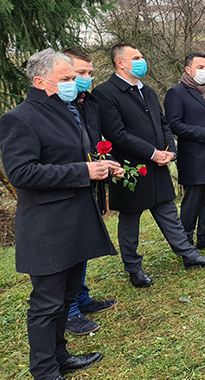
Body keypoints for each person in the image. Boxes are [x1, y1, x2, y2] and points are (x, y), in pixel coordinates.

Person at [0, 49, 122, 379]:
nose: (75, 84)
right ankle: (44, 370)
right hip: (47, 227)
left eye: (75, 77)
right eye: (66, 79)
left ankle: (60, 356)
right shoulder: (19, 118)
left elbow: (70, 158)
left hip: (75, 221)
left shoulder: (68, 112)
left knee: (67, 296)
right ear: (40, 82)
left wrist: (98, 167)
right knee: (47, 303)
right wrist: (83, 171)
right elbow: (22, 173)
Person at [94, 44, 205, 288]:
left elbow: (164, 124)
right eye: (136, 57)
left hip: (158, 164)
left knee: (168, 212)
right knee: (131, 220)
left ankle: (189, 255)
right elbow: (117, 134)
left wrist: (169, 150)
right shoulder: (106, 93)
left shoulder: (148, 91)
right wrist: (152, 153)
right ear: (120, 63)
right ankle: (133, 268)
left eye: (142, 56)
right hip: (130, 168)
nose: (142, 61)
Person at [61, 49, 118, 336]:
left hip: (91, 183)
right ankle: (68, 311)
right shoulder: (57, 108)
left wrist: (107, 164)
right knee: (69, 249)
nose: (85, 79)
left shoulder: (88, 103)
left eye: (87, 73)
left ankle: (81, 297)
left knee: (83, 244)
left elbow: (95, 142)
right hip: (66, 189)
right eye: (78, 74)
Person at [164, 53, 205, 252]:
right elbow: (174, 125)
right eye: (200, 67)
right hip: (194, 156)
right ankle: (185, 242)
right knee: (192, 202)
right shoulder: (176, 93)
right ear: (188, 69)